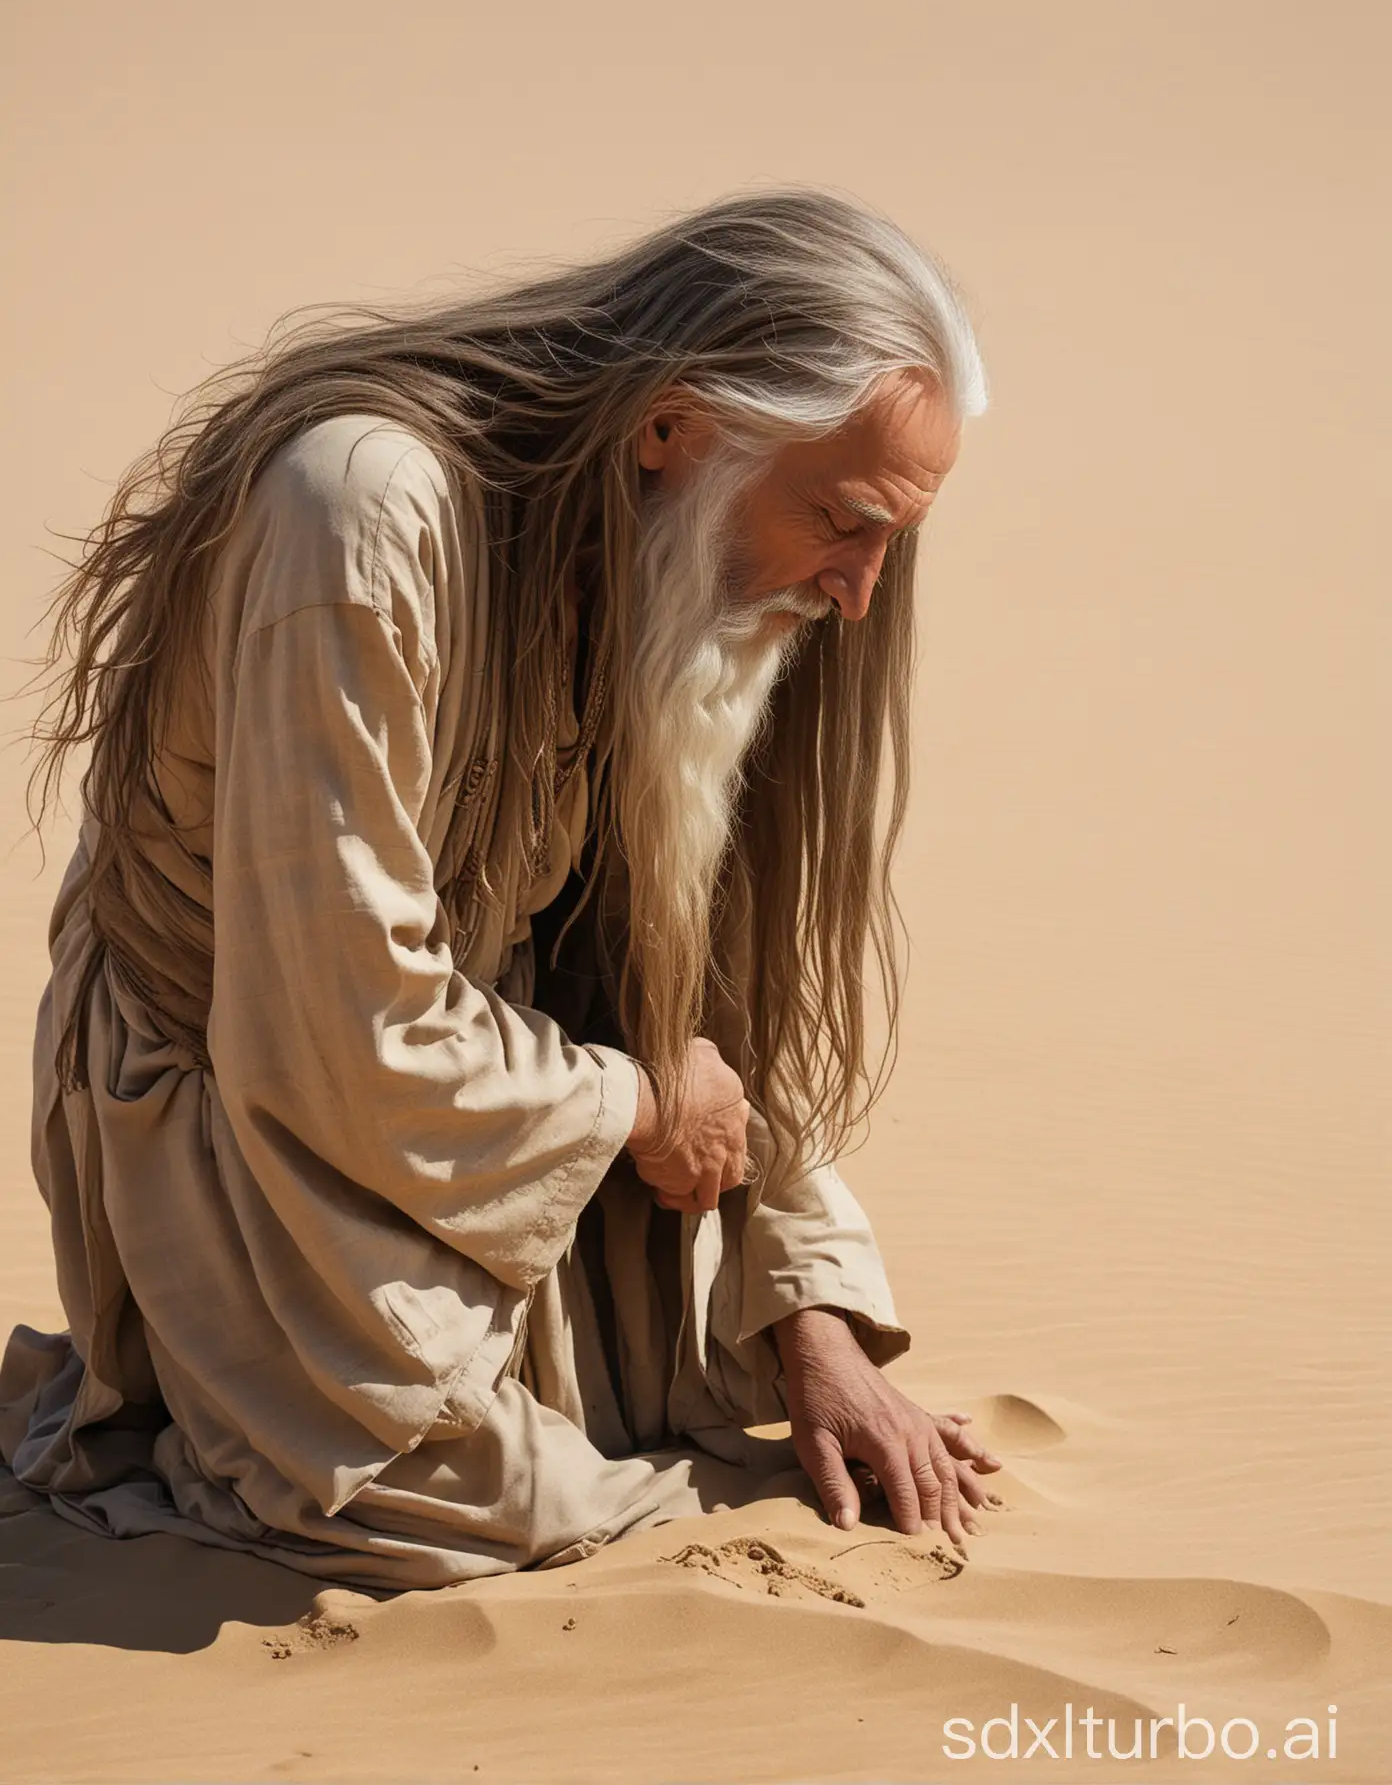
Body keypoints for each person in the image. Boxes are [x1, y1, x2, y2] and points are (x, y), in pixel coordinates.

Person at [0, 189, 1001, 1590]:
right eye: (843, 522)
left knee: (664, 1432)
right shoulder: (360, 515)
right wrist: (642, 1101)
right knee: (450, 1514)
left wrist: (812, 1314)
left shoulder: (670, 565)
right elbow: (332, 1023)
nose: (859, 592)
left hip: (491, 1094)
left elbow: (708, 979)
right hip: (256, 1096)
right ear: (674, 428)